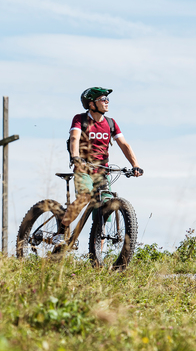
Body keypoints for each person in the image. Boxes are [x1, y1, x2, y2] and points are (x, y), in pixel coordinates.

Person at [54, 87, 143, 245]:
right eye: (103, 99)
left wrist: (135, 165)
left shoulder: (110, 123)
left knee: (103, 213)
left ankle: (97, 260)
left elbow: (124, 144)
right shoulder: (80, 119)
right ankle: (61, 231)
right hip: (83, 169)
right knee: (84, 197)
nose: (107, 102)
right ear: (91, 104)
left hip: (102, 172)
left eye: (108, 100)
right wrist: (75, 157)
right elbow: (74, 138)